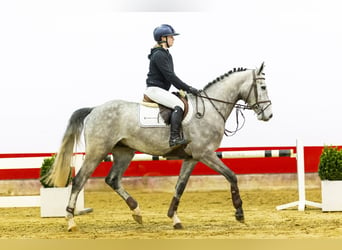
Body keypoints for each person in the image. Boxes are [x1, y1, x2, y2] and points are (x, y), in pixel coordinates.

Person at [144, 24, 200, 147]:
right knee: (178, 105)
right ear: (163, 38)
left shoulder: (166, 54)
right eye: (171, 37)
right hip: (154, 89)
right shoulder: (159, 54)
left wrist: (183, 90)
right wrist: (189, 88)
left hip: (160, 89)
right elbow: (171, 77)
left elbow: (171, 76)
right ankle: (174, 138)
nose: (173, 39)